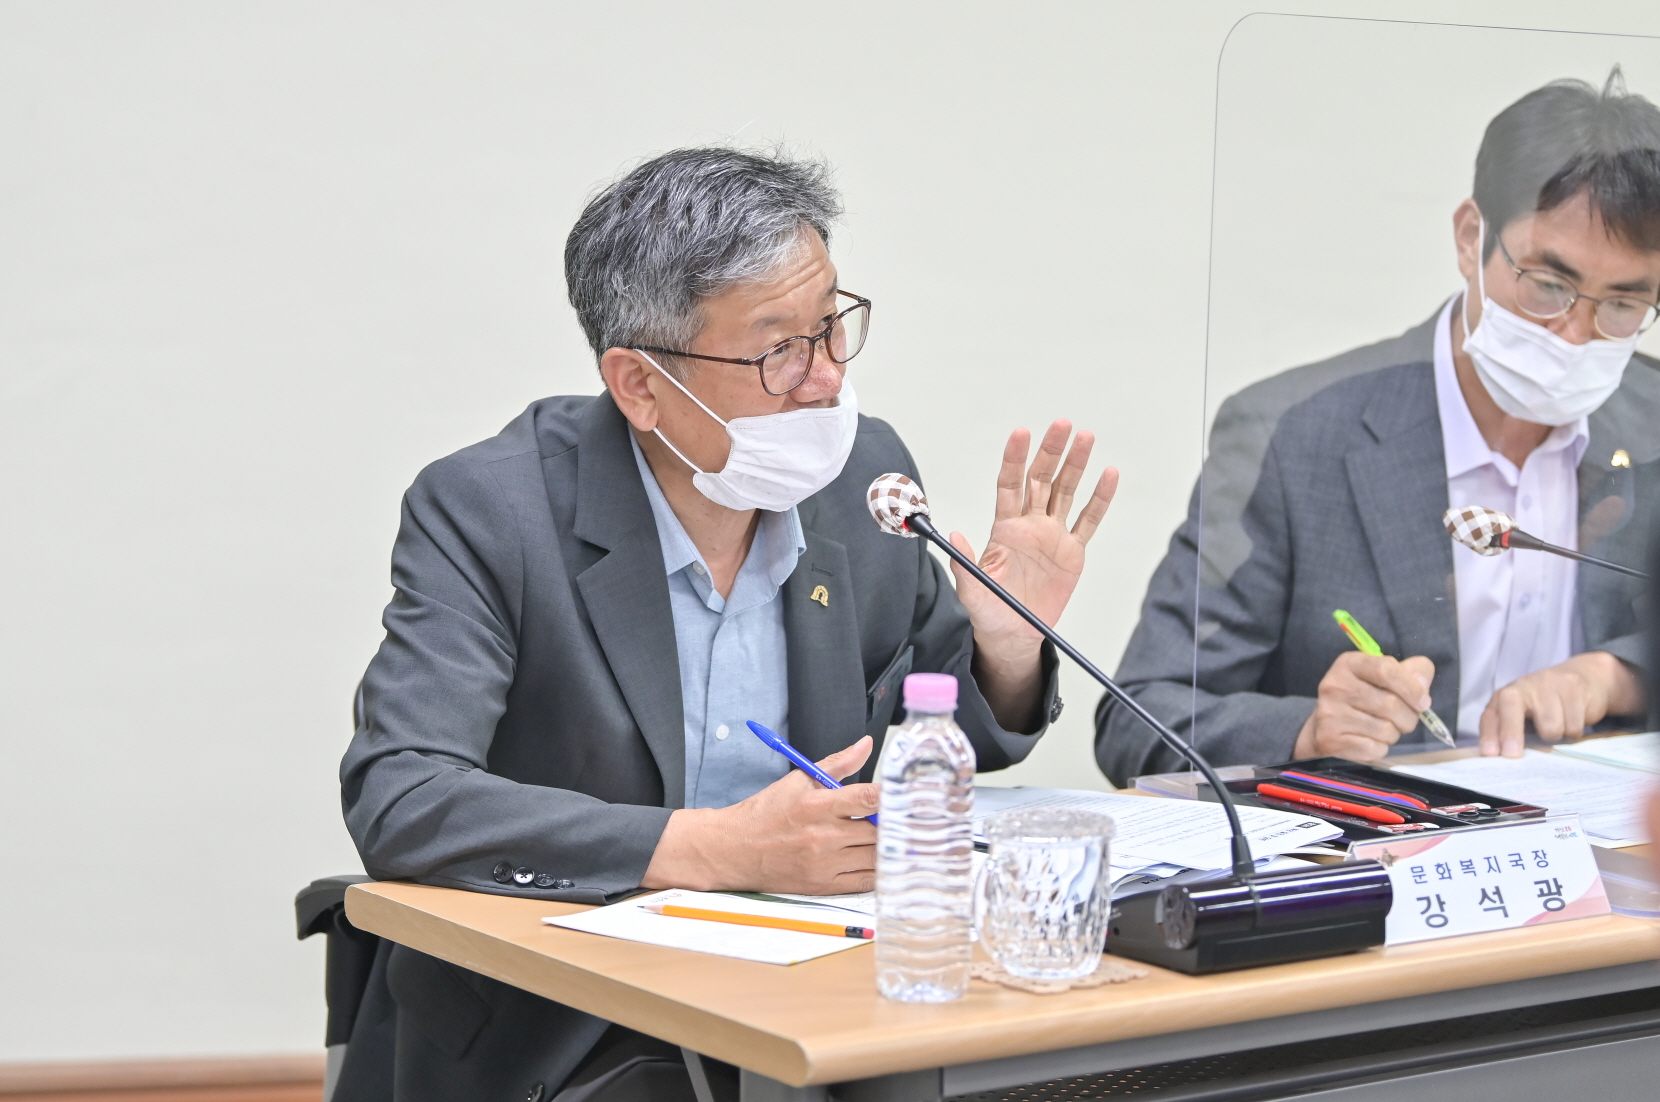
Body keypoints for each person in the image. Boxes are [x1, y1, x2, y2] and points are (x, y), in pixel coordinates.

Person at [335, 147, 1117, 1102]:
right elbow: (402, 796)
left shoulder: (862, 479)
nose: (826, 380)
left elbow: (950, 743)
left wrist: (1006, 642)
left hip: (828, 990)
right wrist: (712, 847)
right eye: (777, 349)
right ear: (639, 385)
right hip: (569, 1019)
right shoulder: (493, 509)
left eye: (831, 326)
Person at [1097, 70, 1659, 786]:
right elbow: (1137, 717)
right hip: (1383, 840)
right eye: (1549, 286)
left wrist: (1618, 675)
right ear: (1471, 239)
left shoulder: (1651, 420)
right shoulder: (1292, 436)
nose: (1576, 334)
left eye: (1622, 306)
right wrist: (1306, 731)